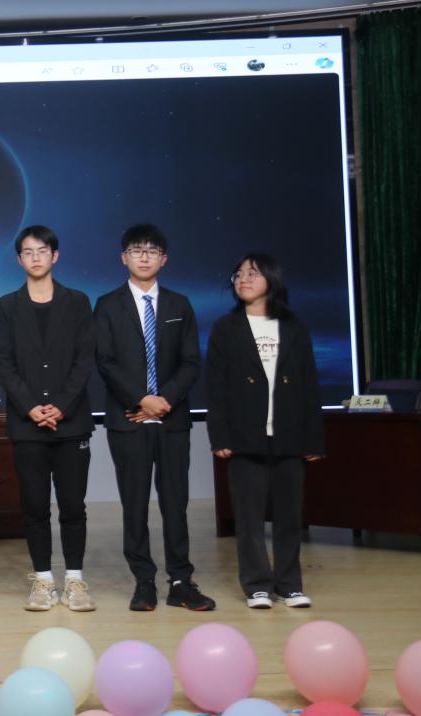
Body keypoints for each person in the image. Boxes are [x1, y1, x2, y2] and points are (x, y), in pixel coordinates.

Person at [94, 223, 215, 611]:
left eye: (151, 251)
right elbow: (105, 361)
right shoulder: (107, 304)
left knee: (176, 503)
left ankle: (181, 580)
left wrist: (165, 400)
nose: (144, 257)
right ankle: (143, 581)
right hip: (128, 419)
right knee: (134, 504)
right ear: (123, 258)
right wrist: (141, 399)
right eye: (136, 250)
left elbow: (190, 362)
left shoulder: (180, 304)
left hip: (172, 419)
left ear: (164, 259)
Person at [206, 253, 324, 609]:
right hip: (245, 438)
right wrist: (220, 436)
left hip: (289, 436)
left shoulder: (293, 326)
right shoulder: (226, 328)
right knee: (249, 519)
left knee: (290, 517)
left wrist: (314, 438)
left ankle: (290, 584)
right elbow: (215, 388)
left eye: (252, 273)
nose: (243, 279)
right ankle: (257, 585)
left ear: (271, 279)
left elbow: (309, 385)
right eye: (238, 274)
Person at [0, 225, 97, 612]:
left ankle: (75, 581)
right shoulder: (6, 306)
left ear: (55, 255)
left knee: (73, 506)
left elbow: (85, 359)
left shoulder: (77, 302)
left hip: (71, 424)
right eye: (27, 252)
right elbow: (4, 364)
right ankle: (43, 581)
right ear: (19, 260)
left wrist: (62, 405)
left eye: (42, 251)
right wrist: (30, 406)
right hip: (27, 425)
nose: (35, 258)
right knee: (35, 507)